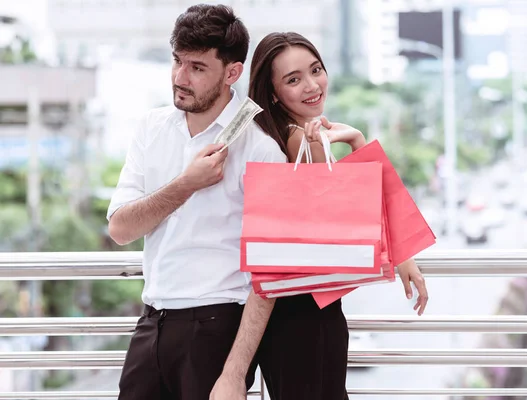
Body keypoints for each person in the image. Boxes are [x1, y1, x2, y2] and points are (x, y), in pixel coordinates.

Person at [106, 5, 286, 400]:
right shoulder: (151, 128)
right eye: (176, 61)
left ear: (232, 73)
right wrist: (186, 184)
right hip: (152, 321)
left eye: (197, 68)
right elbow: (120, 229)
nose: (179, 77)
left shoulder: (263, 151)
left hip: (216, 327)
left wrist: (234, 373)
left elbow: (268, 277)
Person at [248, 32, 430, 400]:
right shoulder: (297, 139)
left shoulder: (289, 132)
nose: (312, 85)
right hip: (302, 311)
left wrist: (355, 139)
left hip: (302, 309)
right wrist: (355, 141)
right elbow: (347, 218)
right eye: (293, 79)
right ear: (272, 93)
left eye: (316, 70)